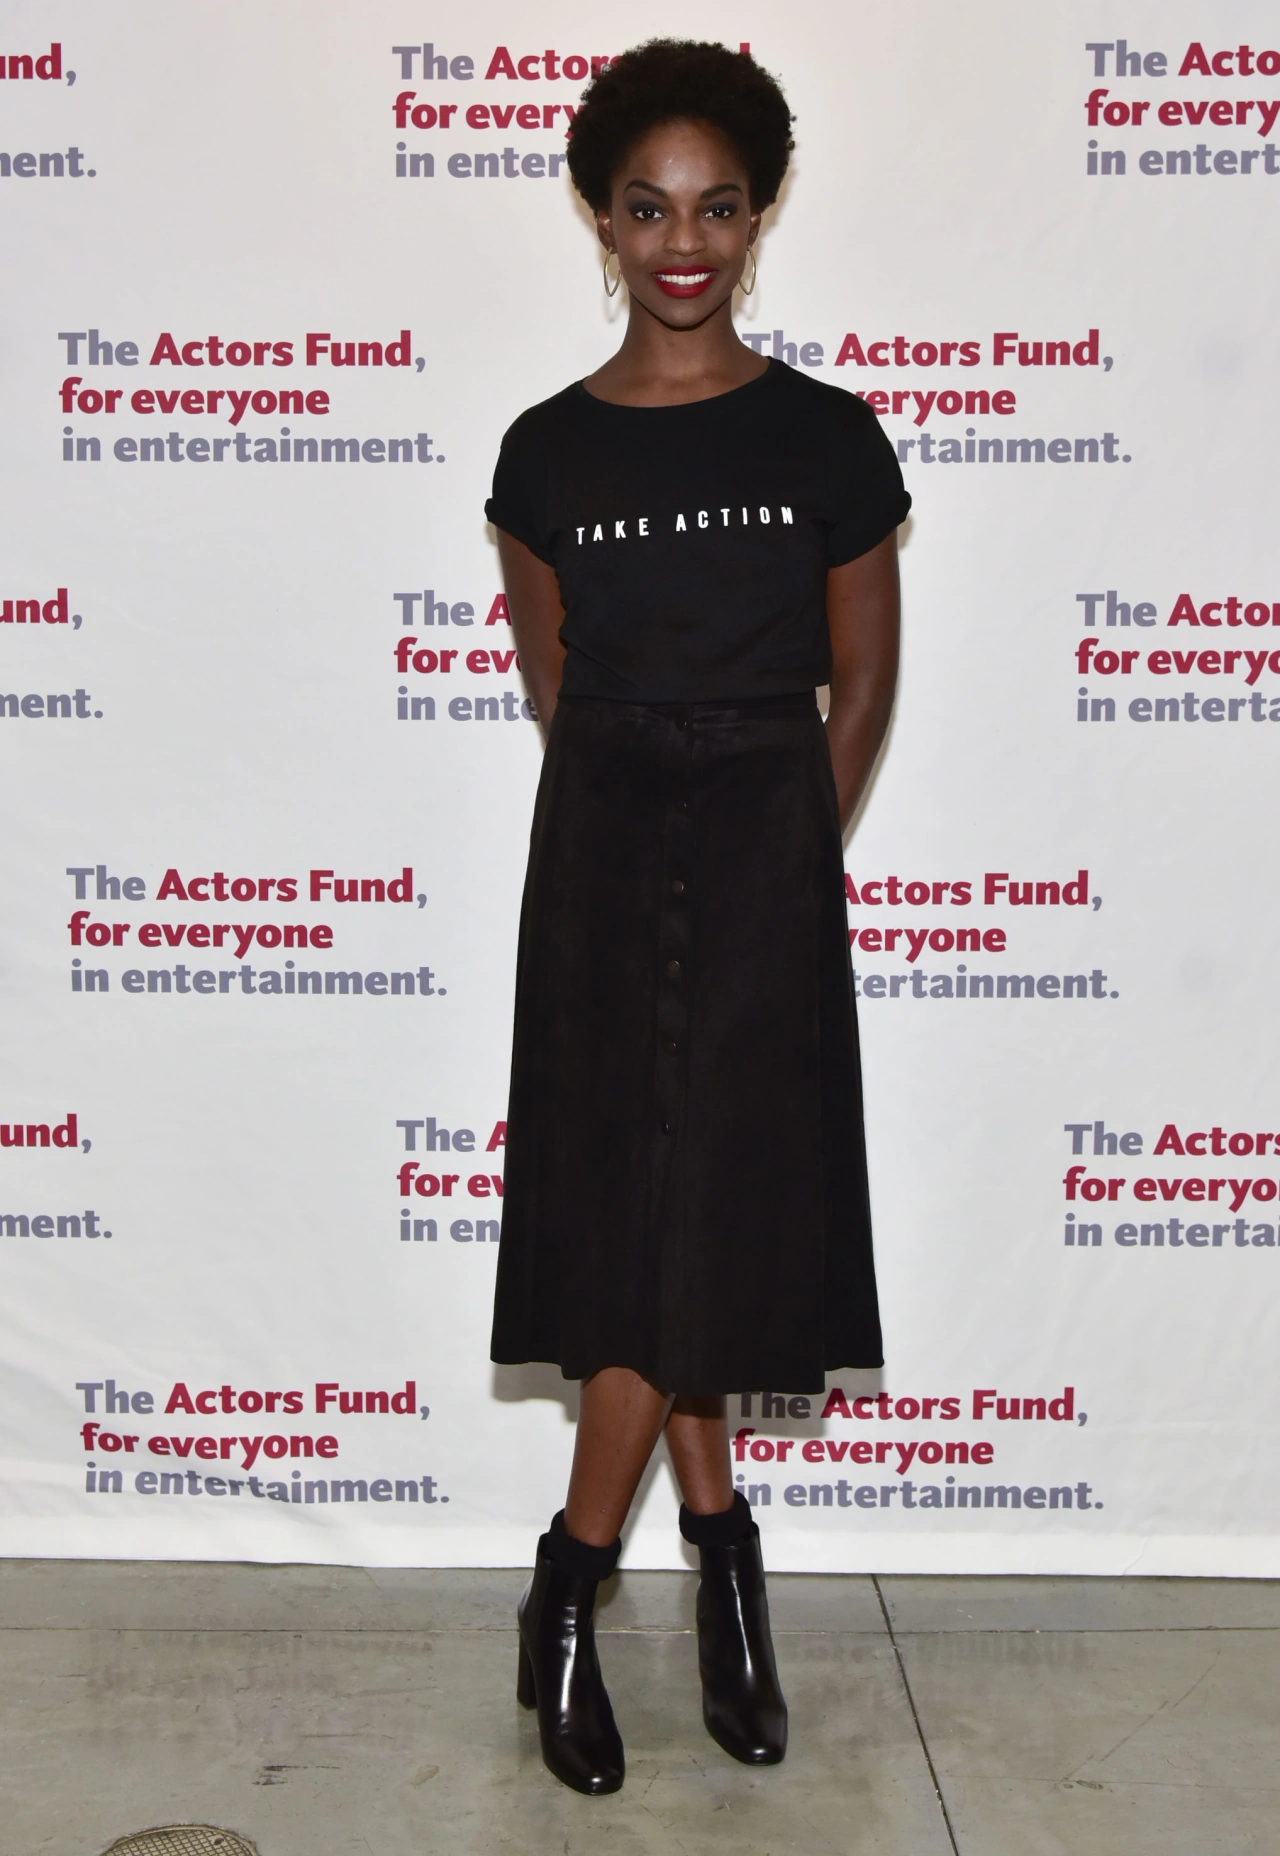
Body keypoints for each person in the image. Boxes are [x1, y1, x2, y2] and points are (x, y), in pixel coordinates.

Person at [484, 39, 909, 1795]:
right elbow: (556, 683)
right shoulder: (543, 452)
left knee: (709, 1213)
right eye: (648, 208)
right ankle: (718, 1562)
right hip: (600, 849)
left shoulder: (827, 436)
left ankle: (573, 1576)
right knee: (644, 1224)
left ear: (758, 216)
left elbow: (861, 689)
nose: (684, 243)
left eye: (717, 208)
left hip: (761, 851)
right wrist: (646, 803)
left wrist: (784, 850)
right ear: (601, 218)